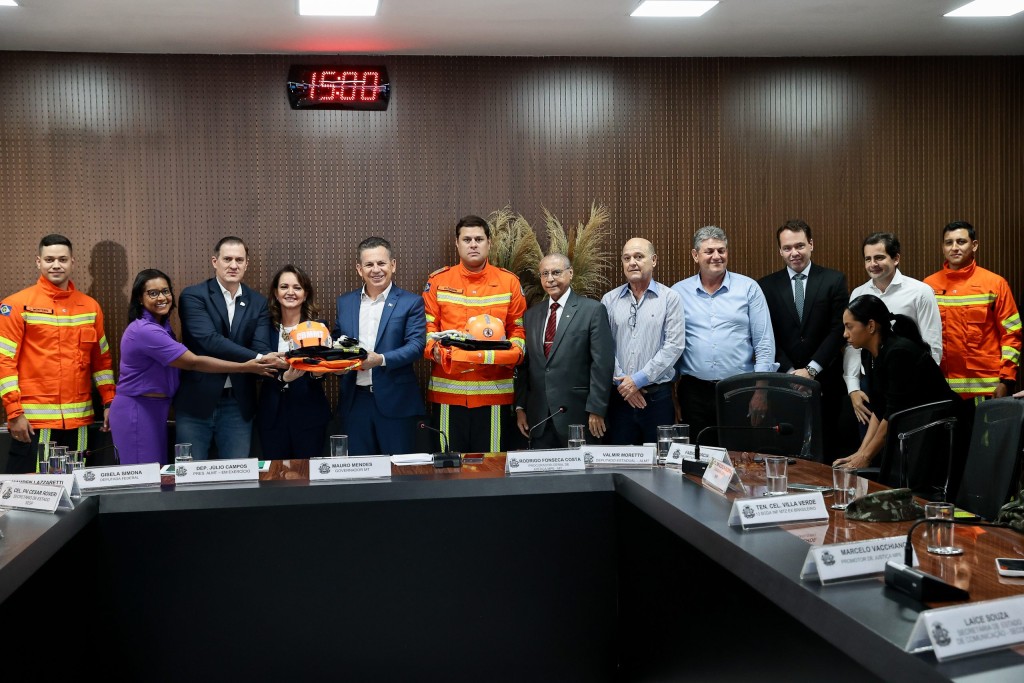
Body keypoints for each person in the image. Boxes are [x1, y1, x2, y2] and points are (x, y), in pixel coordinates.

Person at [110, 269, 276, 465]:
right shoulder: (145, 330)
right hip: (138, 409)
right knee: (143, 475)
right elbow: (193, 362)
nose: (161, 297)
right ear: (139, 298)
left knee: (155, 472)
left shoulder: (162, 326)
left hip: (155, 408)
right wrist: (246, 366)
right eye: (153, 293)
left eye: (165, 291)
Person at [0, 234, 116, 473]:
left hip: (79, 419)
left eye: (62, 259)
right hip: (33, 421)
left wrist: (110, 402)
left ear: (72, 262)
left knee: (74, 485)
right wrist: (14, 412)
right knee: (30, 488)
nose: (56, 265)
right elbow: (4, 362)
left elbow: (101, 361)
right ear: (38, 262)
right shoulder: (16, 305)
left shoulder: (90, 307)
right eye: (49, 259)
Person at [422, 215, 526, 453]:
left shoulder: (509, 282)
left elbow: (518, 331)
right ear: (457, 244)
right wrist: (436, 351)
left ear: (489, 243)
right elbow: (428, 331)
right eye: (467, 239)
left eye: (479, 239)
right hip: (448, 394)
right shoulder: (437, 281)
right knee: (448, 466)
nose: (473, 244)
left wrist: (512, 354)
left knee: (492, 466)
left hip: (494, 394)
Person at [174, 236, 282, 460]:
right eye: (227, 259)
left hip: (238, 405)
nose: (234, 265)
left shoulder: (258, 303)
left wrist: (263, 356)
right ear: (215, 261)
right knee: (189, 474)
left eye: (239, 260)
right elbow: (209, 340)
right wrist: (259, 358)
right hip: (196, 403)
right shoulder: (194, 296)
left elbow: (261, 345)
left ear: (246, 264)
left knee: (237, 474)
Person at [833, 295, 964, 474]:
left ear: (871, 326)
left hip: (940, 432)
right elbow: (880, 409)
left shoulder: (899, 352)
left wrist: (866, 457)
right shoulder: (869, 354)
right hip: (915, 432)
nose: (845, 334)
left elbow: (894, 413)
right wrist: (860, 453)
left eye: (849, 327)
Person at [673, 226, 777, 442]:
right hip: (694, 392)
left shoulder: (749, 288)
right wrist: (672, 397)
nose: (716, 256)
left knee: (739, 454)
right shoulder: (678, 293)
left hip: (740, 390)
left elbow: (764, 343)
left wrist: (761, 392)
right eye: (709, 251)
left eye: (721, 250)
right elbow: (671, 346)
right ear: (695, 255)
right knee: (698, 454)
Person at [758, 220, 848, 455]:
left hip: (826, 381)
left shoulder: (834, 280)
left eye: (799, 246)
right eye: (787, 248)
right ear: (780, 251)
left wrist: (811, 370)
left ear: (811, 245)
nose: (794, 253)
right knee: (788, 450)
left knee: (827, 449)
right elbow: (766, 334)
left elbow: (838, 330)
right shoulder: (765, 286)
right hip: (783, 383)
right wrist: (791, 372)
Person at [333, 237, 426, 456]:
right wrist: (336, 364)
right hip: (356, 401)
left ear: (393, 265)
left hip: (396, 402)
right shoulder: (345, 302)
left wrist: (380, 360)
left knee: (399, 470)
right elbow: (338, 339)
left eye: (381, 263)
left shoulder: (411, 302)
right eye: (369, 264)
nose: (376, 270)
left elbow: (416, 346)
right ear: (359, 269)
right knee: (358, 469)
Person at [515, 253, 614, 448]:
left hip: (579, 416)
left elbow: (602, 364)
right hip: (539, 418)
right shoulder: (531, 315)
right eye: (544, 274)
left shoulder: (592, 310)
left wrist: (597, 409)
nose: (550, 279)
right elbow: (525, 366)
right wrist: (520, 407)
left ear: (570, 273)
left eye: (556, 272)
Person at [843, 233, 941, 428]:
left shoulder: (920, 292)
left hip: (909, 385)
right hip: (869, 383)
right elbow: (852, 344)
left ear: (896, 258)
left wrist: (920, 386)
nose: (873, 264)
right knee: (870, 441)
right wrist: (853, 388)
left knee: (902, 441)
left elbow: (933, 346)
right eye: (868, 259)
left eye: (879, 257)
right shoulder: (859, 293)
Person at [923, 221, 1021, 401]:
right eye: (949, 242)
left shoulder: (995, 284)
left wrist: (1006, 380)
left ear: (974, 245)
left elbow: (1012, 334)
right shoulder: (928, 286)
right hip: (940, 389)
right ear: (943, 247)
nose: (954, 247)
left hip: (986, 388)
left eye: (961, 242)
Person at [601, 238, 685, 446]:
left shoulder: (670, 298)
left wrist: (637, 380)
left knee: (660, 460)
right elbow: (603, 348)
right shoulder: (609, 300)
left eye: (639, 257)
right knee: (620, 460)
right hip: (619, 399)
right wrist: (624, 385)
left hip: (657, 399)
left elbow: (674, 346)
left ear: (653, 260)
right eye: (627, 258)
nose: (632, 263)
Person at [256, 265, 332, 459]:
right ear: (276, 293)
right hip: (272, 413)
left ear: (305, 295)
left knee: (308, 472)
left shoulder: (318, 327)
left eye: (297, 287)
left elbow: (321, 371)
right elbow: (259, 365)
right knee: (275, 473)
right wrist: (284, 378)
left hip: (309, 413)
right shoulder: (263, 326)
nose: (290, 292)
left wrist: (318, 373)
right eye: (284, 287)